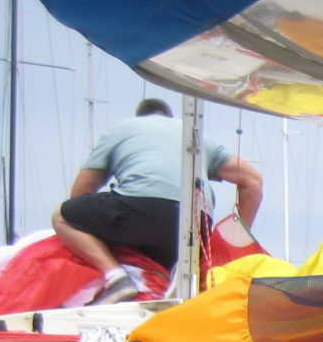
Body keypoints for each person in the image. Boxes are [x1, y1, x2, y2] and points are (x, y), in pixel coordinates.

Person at [51, 98, 263, 304]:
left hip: (139, 210)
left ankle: (116, 278)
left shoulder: (123, 129)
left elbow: (80, 193)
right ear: (169, 117)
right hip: (195, 226)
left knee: (63, 215)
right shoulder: (195, 135)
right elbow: (253, 181)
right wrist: (235, 238)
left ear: (140, 116)